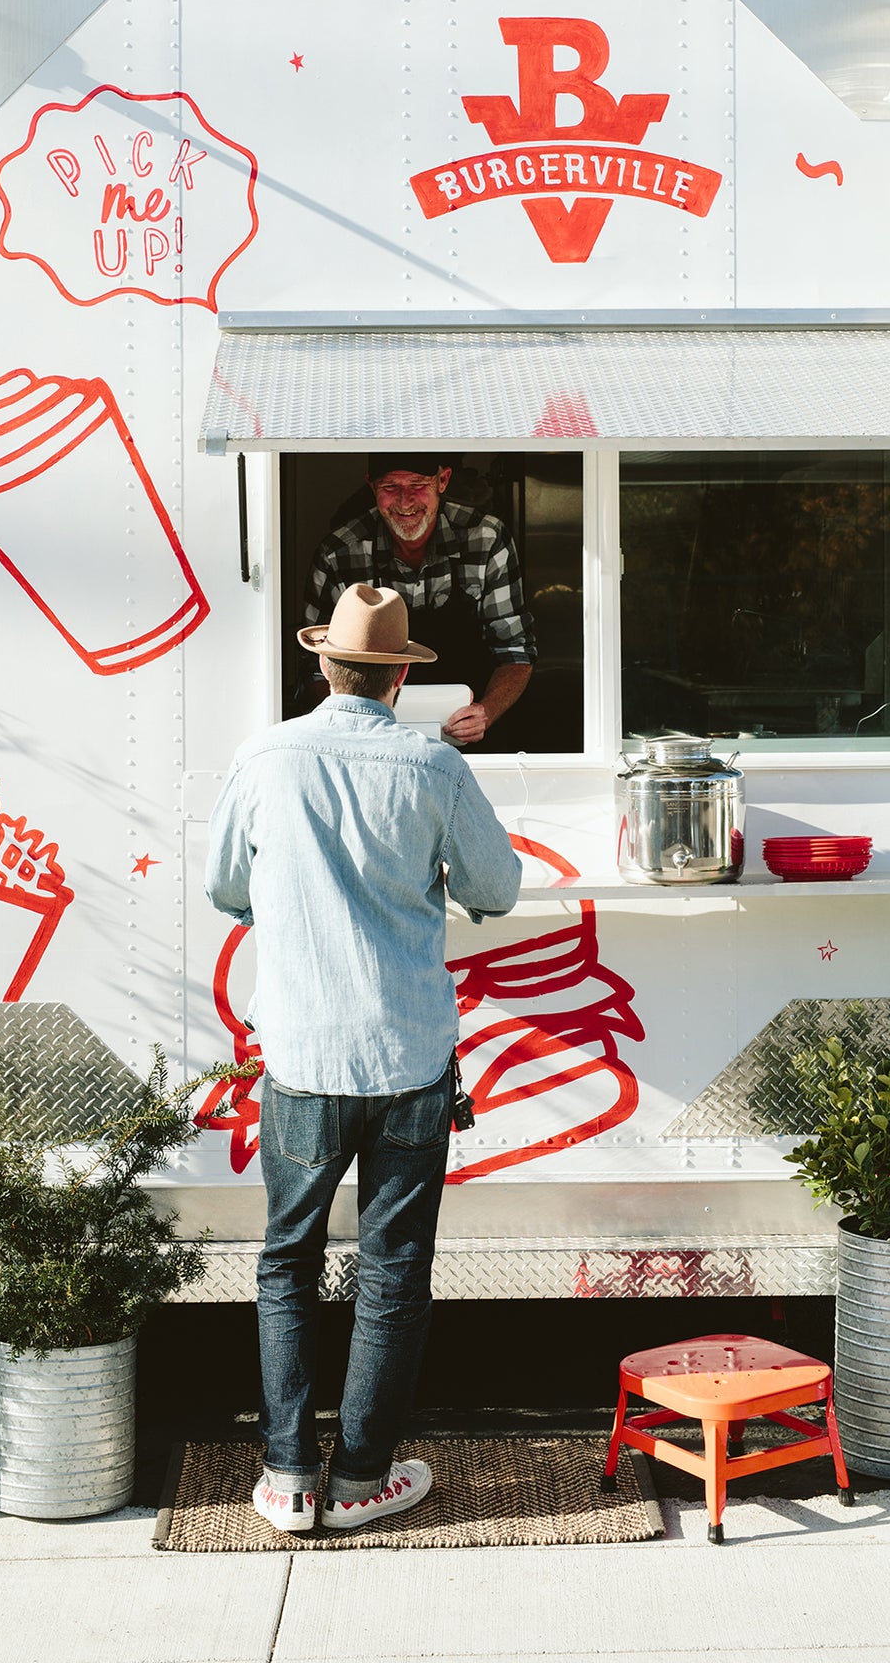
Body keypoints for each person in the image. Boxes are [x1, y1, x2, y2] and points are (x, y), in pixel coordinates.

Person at [205, 583, 520, 1534]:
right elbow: (497, 891)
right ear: (396, 677)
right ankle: (360, 1482)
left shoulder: (266, 755)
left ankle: (289, 1481)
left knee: (286, 1263)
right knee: (392, 1271)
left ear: (325, 666)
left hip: (300, 1053)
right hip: (407, 1054)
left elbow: (227, 885)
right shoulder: (432, 762)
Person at [301, 454, 535, 746]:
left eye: (417, 484)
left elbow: (515, 653)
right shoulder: (338, 553)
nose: (405, 501)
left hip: (471, 739)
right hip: (369, 739)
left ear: (443, 480)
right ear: (371, 487)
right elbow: (315, 666)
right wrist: (353, 725)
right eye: (390, 487)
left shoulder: (486, 539)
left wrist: (486, 712)